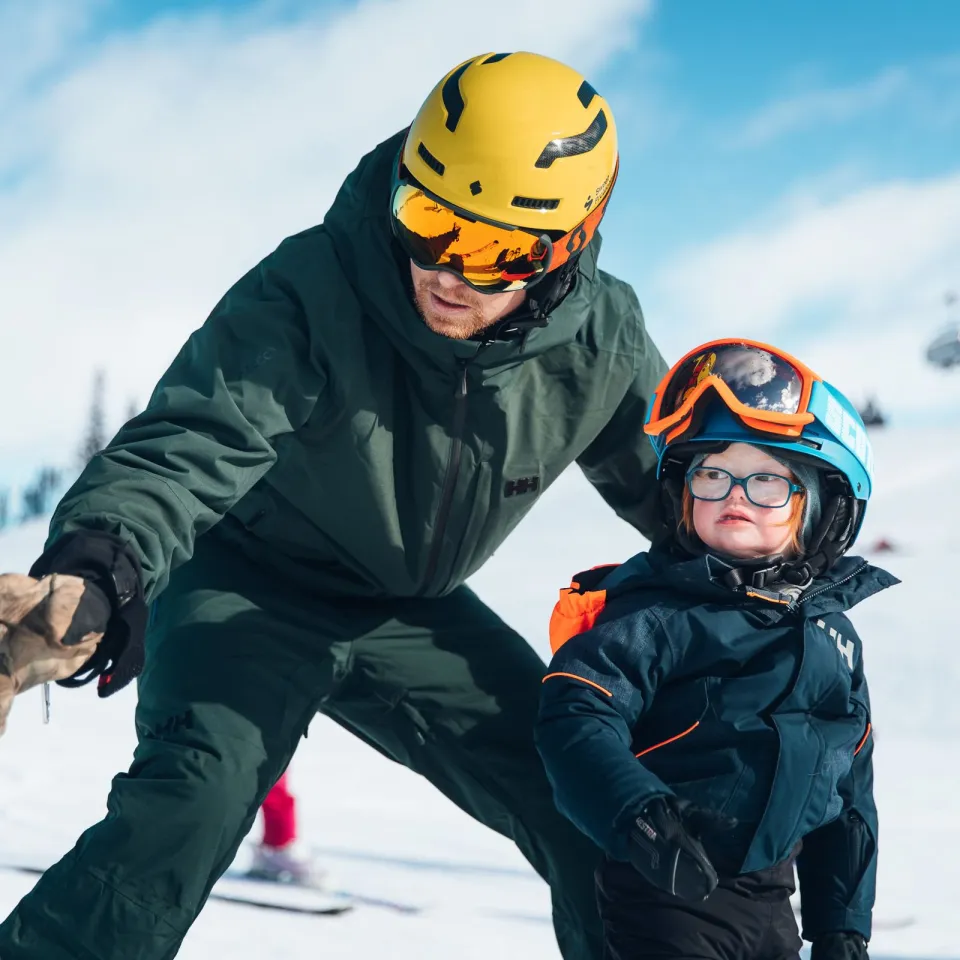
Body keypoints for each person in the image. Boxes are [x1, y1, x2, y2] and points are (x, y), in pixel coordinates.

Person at [0, 51, 668, 959]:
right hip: (248, 579)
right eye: (428, 219)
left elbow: (686, 496)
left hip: (412, 611)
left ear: (567, 245)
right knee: (193, 800)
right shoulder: (315, 288)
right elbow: (194, 437)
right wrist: (102, 556)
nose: (447, 269)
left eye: (495, 251)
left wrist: (778, 596)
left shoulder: (600, 342)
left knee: (595, 805)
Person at [536, 339, 895, 960]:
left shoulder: (834, 636)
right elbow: (576, 714)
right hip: (665, 888)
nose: (734, 494)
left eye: (766, 480)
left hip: (772, 903)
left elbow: (850, 790)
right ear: (683, 492)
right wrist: (640, 815)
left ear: (823, 509)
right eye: (712, 475)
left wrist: (842, 923)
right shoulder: (657, 613)